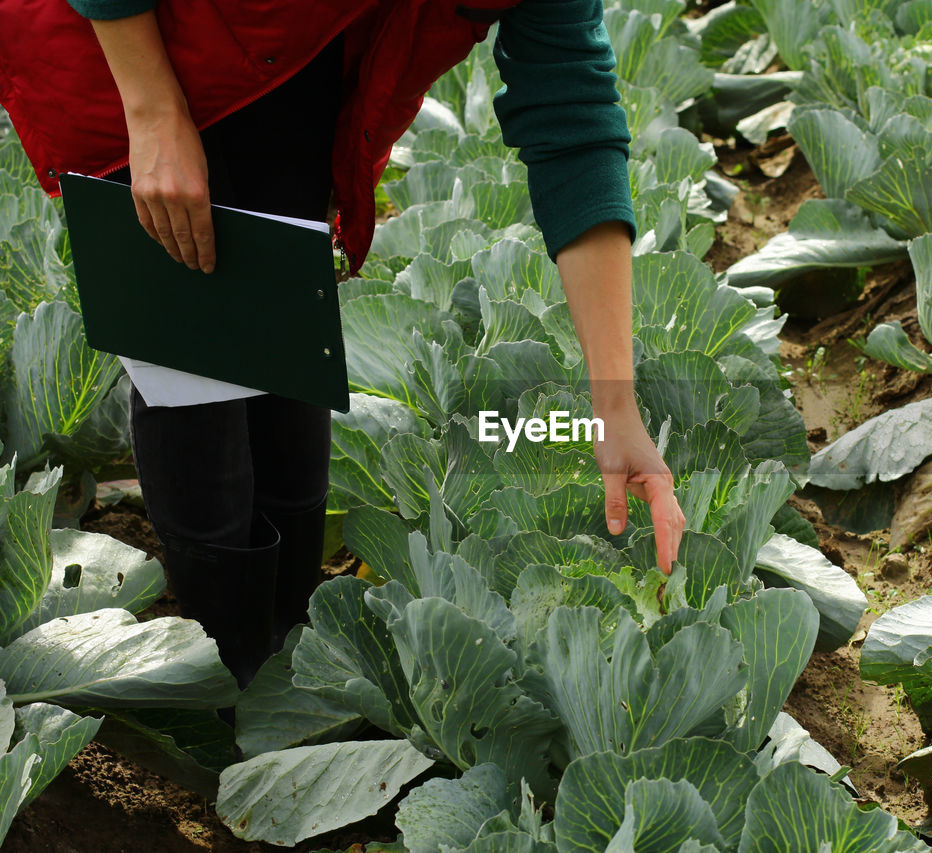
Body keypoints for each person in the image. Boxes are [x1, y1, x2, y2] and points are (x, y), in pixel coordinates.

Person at [0, 0, 686, 689]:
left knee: (287, 344)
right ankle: (232, 670)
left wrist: (614, 403)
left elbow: (574, 121)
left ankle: (284, 655)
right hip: (121, 37)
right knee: (194, 360)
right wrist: (151, 111)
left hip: (293, 47)